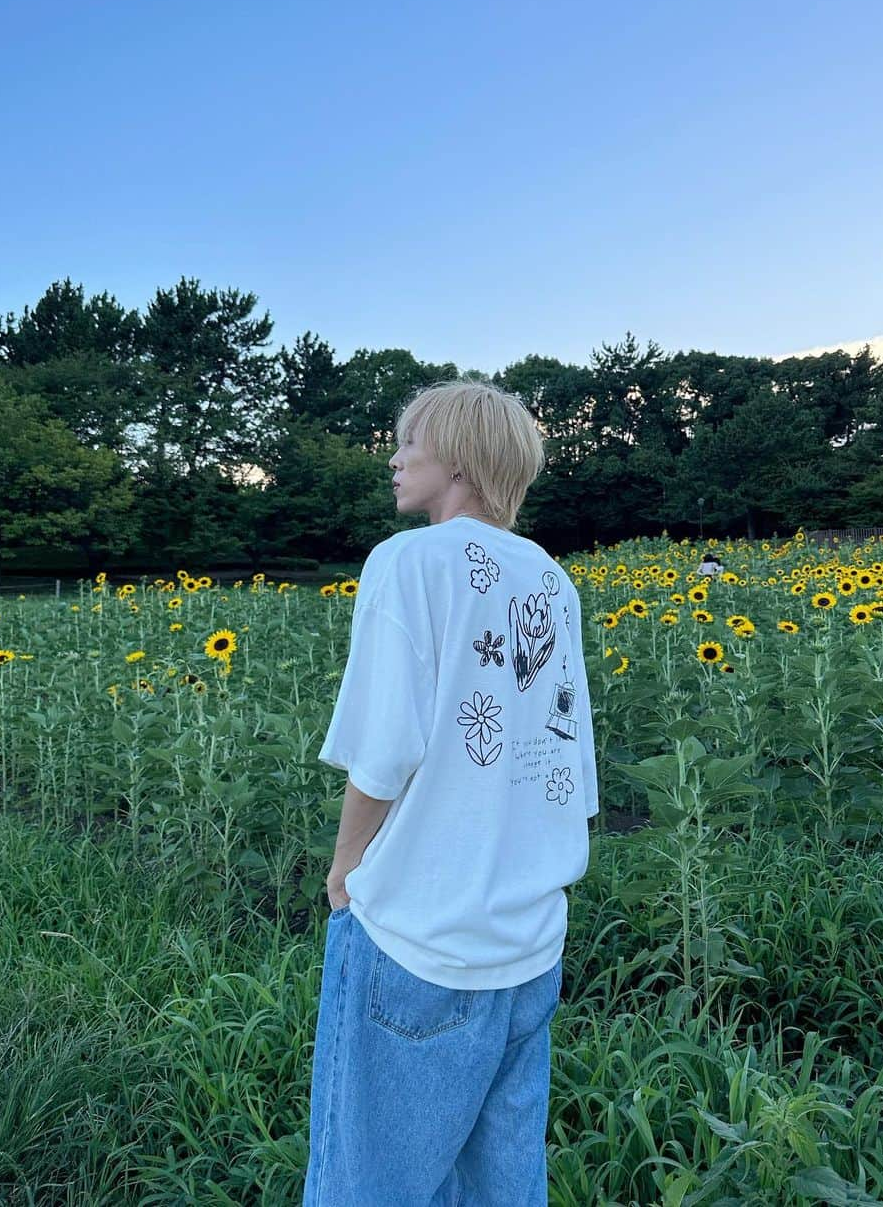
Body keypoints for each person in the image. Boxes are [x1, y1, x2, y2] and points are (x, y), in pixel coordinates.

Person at [302, 379, 599, 1207]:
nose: (394, 458)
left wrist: (346, 871)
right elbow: (566, 765)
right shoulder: (549, 579)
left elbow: (382, 749)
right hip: (529, 941)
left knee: (370, 1182)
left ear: (460, 461)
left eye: (410, 442)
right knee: (497, 1183)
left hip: (419, 934)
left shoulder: (409, 562)